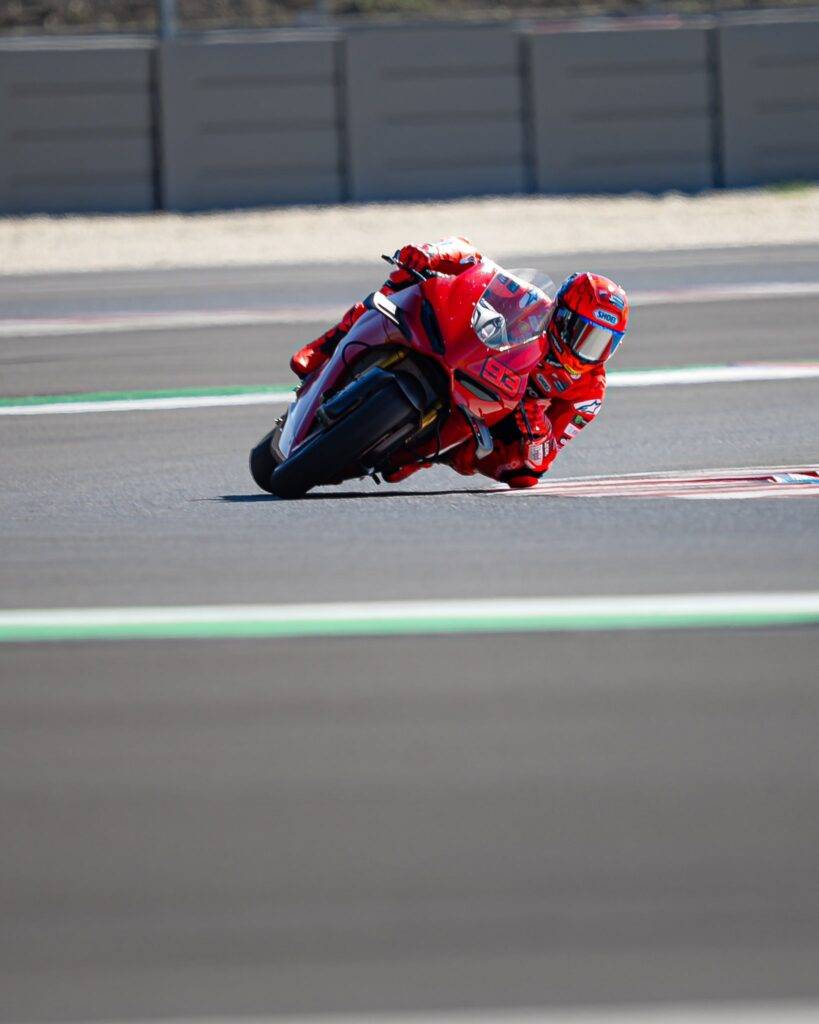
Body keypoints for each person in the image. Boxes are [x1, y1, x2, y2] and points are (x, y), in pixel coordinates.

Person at [289, 237, 629, 488]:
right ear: (563, 318)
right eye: (585, 336)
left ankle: (426, 453)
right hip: (470, 362)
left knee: (521, 476)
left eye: (601, 344)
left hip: (498, 417)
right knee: (409, 280)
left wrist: (536, 428)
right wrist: (433, 254)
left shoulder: (589, 393)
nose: (589, 352)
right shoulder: (531, 303)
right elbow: (477, 263)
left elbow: (542, 460)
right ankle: (327, 345)